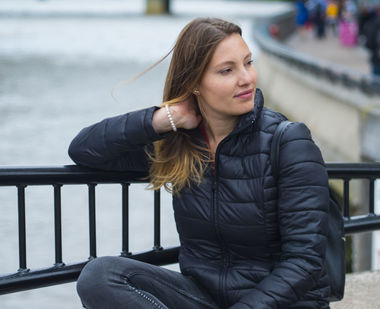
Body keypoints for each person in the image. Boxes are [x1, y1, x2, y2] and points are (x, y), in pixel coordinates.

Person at [69, 17, 330, 309]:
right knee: (100, 276)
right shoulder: (180, 146)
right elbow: (84, 150)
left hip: (281, 304)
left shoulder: (288, 142)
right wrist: (163, 118)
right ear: (194, 83)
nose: (246, 78)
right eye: (227, 70)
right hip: (206, 298)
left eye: (248, 62)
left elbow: (304, 262)